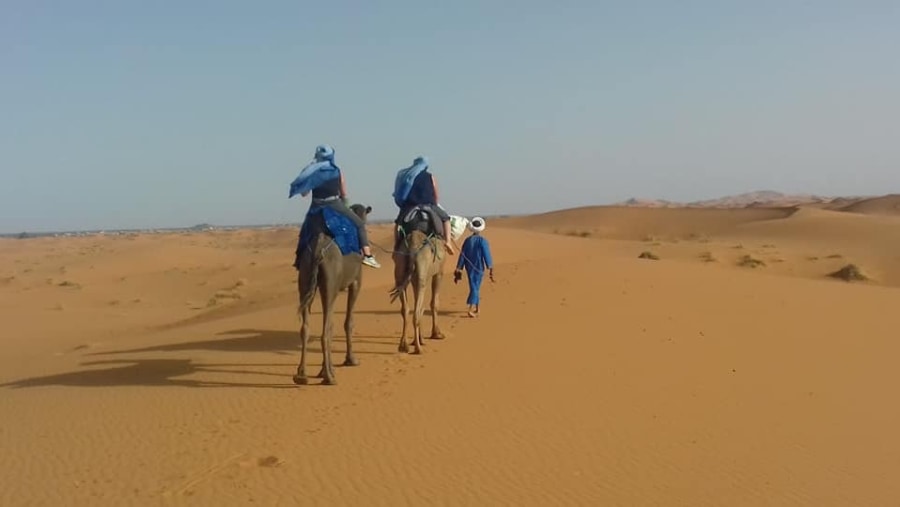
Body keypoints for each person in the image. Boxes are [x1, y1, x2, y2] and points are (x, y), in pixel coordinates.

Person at [289, 144, 381, 268]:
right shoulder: (336, 171)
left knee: (305, 232)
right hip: (334, 204)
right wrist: (346, 206)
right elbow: (343, 193)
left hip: (316, 206)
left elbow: (304, 194)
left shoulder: (311, 171)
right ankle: (368, 256)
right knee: (359, 224)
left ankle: (299, 260)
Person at [392, 156, 455, 255]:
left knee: (397, 225)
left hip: (409, 207)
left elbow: (400, 193)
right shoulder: (431, 177)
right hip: (428, 205)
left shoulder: (407, 176)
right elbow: (436, 195)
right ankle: (448, 242)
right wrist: (435, 205)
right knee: (446, 219)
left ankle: (396, 246)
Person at [454, 216, 494, 317]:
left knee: (475, 286)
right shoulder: (482, 241)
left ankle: (477, 308)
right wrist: (490, 267)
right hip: (479, 267)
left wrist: (459, 267)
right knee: (475, 287)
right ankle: (470, 309)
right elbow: (486, 254)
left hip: (469, 267)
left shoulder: (467, 241)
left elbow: (462, 255)